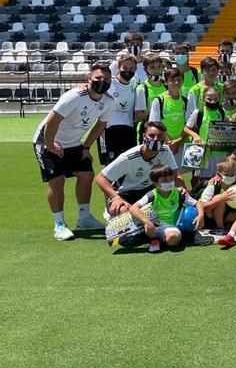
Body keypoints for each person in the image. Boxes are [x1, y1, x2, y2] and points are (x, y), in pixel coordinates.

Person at [34, 64, 115, 239]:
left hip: (73, 143)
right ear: (89, 79)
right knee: (57, 180)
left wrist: (85, 147)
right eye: (98, 78)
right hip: (47, 139)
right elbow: (52, 122)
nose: (102, 82)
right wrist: (49, 146)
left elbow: (100, 125)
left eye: (106, 80)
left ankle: (84, 218)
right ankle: (59, 224)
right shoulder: (73, 96)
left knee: (86, 175)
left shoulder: (108, 101)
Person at [96, 121, 182, 217]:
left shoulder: (165, 151)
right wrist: (115, 197)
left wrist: (182, 190)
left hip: (149, 191)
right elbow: (100, 178)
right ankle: (112, 210)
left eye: (160, 136)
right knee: (124, 213)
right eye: (152, 136)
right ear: (144, 136)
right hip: (124, 193)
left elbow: (176, 175)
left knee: (175, 206)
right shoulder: (128, 157)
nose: (156, 139)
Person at [128, 165, 205, 252]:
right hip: (155, 226)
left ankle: (159, 240)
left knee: (173, 238)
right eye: (165, 180)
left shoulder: (178, 193)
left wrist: (201, 215)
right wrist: (146, 222)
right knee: (136, 235)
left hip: (172, 226)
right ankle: (154, 239)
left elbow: (197, 203)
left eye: (171, 179)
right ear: (155, 183)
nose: (169, 182)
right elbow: (133, 208)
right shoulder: (152, 195)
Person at [99, 52, 138, 165]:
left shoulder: (135, 83)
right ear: (118, 67)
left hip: (129, 129)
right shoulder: (109, 83)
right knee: (110, 165)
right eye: (124, 67)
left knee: (128, 165)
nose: (128, 71)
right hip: (109, 129)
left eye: (131, 68)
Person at [149, 68, 192, 161]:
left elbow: (188, 124)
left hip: (182, 144)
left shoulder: (185, 101)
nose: (176, 83)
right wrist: (169, 142)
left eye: (179, 80)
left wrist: (179, 141)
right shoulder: (159, 100)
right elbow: (155, 124)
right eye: (172, 80)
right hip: (164, 145)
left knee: (184, 175)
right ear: (166, 82)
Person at [198, 157, 236, 229]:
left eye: (233, 173)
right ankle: (220, 228)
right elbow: (202, 208)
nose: (231, 176)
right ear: (219, 175)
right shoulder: (213, 186)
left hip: (225, 214)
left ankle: (229, 226)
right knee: (219, 198)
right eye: (227, 174)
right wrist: (219, 200)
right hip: (208, 216)